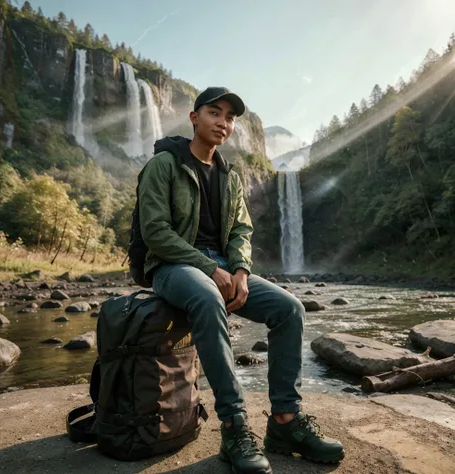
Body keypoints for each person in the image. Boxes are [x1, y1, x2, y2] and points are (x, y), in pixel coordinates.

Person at [136, 87, 344, 474]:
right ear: (194, 117)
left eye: (230, 118)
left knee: (290, 309)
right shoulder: (163, 164)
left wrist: (241, 272)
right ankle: (234, 427)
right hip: (169, 265)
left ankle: (285, 421)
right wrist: (210, 269)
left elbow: (241, 232)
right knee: (208, 298)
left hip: (223, 268)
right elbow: (155, 232)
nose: (224, 122)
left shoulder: (230, 177)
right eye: (215, 113)